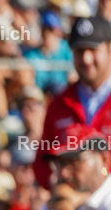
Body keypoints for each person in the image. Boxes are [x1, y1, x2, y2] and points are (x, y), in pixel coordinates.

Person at [36, 15, 111, 190]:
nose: (86, 59)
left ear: (109, 48)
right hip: (74, 206)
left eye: (92, 50)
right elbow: (42, 161)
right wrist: (59, 186)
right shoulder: (59, 104)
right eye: (79, 51)